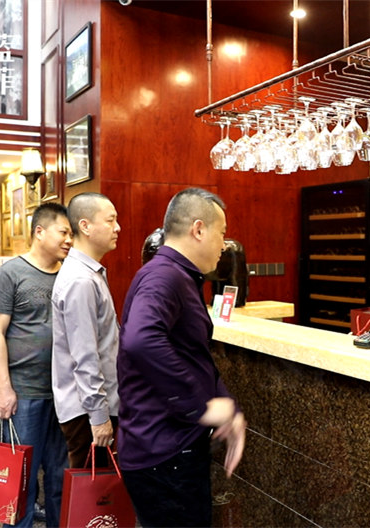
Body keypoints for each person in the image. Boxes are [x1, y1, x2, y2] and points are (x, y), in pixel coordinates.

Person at [118, 188, 246, 528]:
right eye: (221, 233)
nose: (224, 245)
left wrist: (225, 406)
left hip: (168, 446)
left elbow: (192, 354)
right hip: (164, 451)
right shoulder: (164, 276)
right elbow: (140, 340)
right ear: (198, 229)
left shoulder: (178, 276)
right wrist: (198, 406)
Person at [0, 204, 72, 528]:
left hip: (64, 393)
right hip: (25, 393)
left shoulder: (70, 274)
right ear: (40, 231)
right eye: (63, 232)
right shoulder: (10, 273)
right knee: (21, 478)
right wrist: (4, 389)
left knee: (60, 476)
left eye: (71, 234)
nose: (69, 240)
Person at [51, 193, 121, 469]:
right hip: (87, 411)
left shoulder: (89, 273)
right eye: (110, 220)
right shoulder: (80, 280)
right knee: (92, 490)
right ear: (85, 226)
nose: (117, 228)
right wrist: (99, 416)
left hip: (92, 406)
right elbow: (85, 356)